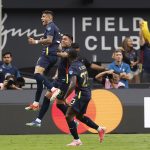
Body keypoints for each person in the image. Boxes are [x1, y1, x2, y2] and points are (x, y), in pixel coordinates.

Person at [26, 34, 76, 127]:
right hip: (58, 80)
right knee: (47, 97)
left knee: (59, 103)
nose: (63, 40)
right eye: (62, 39)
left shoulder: (71, 51)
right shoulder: (64, 49)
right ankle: (38, 120)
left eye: (65, 39)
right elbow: (57, 48)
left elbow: (62, 54)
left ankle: (73, 120)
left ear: (70, 42)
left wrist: (49, 51)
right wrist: (45, 44)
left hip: (64, 81)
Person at [63, 49, 106, 146]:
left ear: (69, 56)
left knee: (68, 116)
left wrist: (65, 97)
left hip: (81, 94)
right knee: (79, 116)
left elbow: (73, 84)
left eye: (66, 53)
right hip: (86, 92)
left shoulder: (73, 67)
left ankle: (76, 140)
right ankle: (99, 129)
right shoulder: (80, 64)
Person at [25, 10, 61, 111]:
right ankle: (36, 104)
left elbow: (49, 40)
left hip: (47, 55)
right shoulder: (55, 28)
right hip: (53, 56)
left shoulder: (50, 26)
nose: (42, 18)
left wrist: (35, 41)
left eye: (44, 16)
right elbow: (53, 43)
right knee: (39, 79)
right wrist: (42, 40)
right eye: (42, 16)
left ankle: (54, 90)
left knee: (36, 74)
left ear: (50, 18)